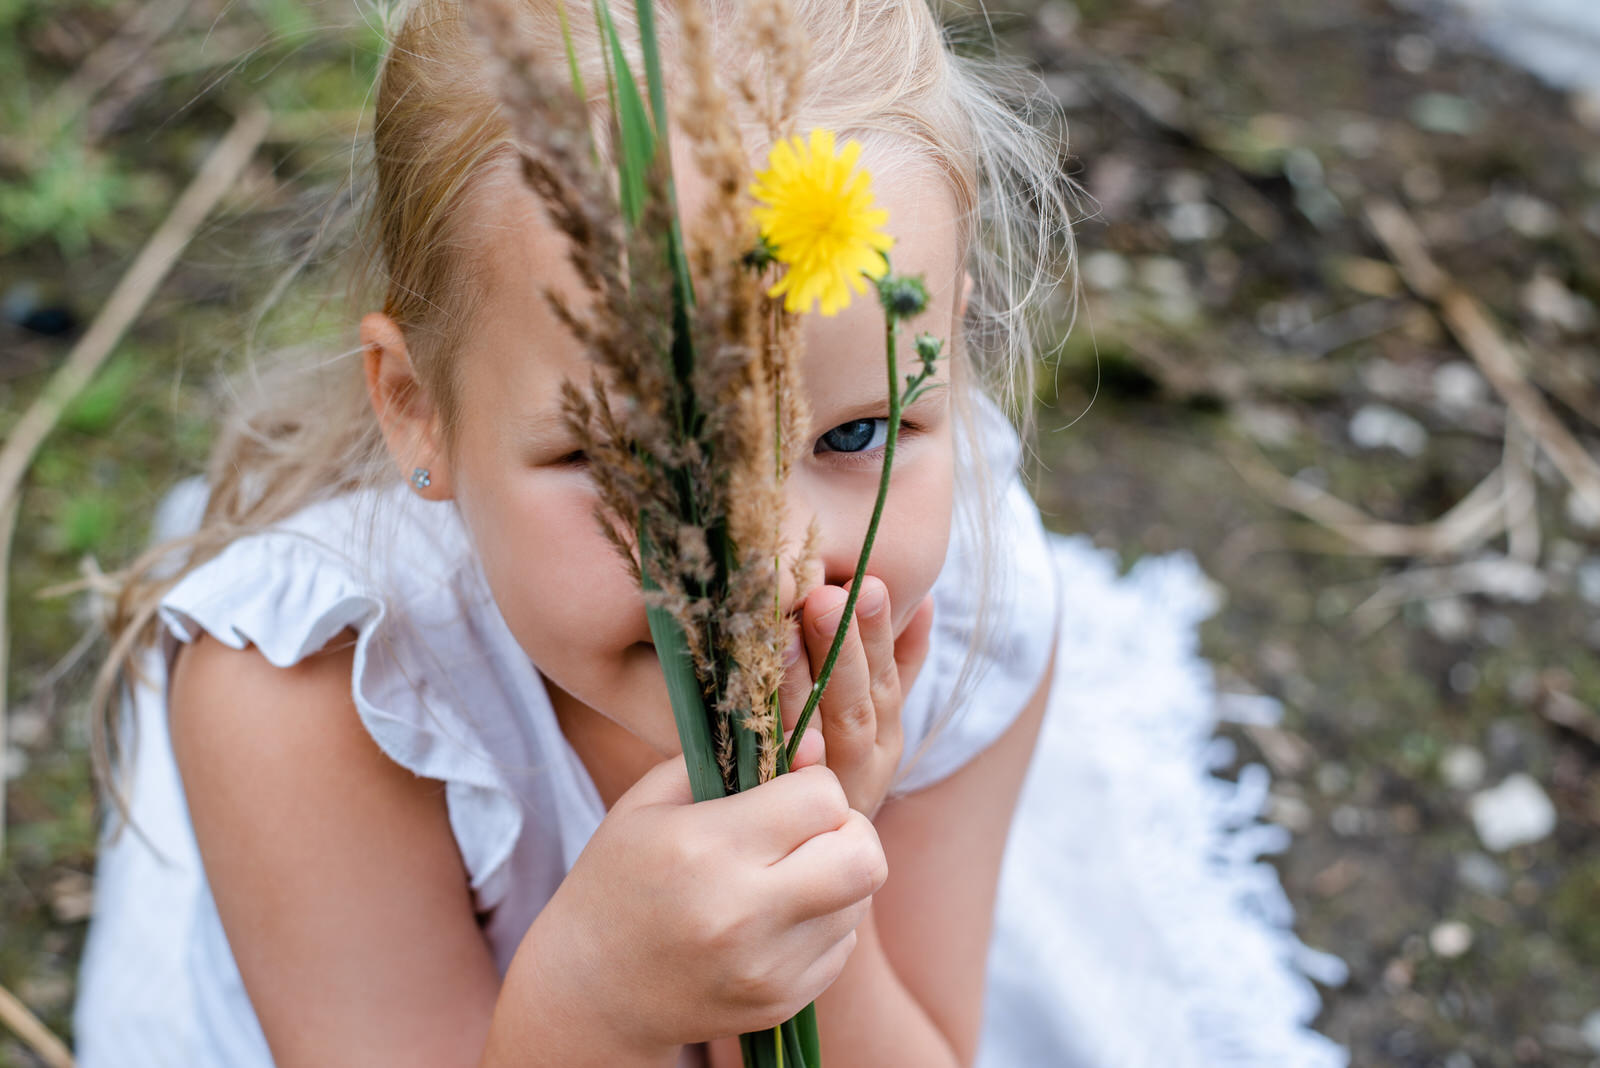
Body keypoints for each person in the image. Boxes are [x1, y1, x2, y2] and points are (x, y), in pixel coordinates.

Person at [73, 2, 1348, 1065]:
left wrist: (821, 887)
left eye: (853, 437)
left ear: (949, 352)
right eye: (629, 464)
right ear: (420, 411)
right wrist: (591, 1000)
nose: (767, 562)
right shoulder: (306, 699)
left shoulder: (964, 618)